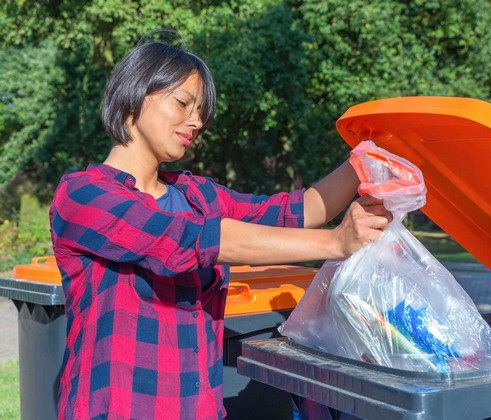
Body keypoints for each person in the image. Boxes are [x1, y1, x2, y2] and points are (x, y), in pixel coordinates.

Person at [49, 40, 392, 419]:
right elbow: (192, 240)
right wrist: (335, 242)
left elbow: (297, 210)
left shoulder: (197, 194)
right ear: (134, 95)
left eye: (200, 112)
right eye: (182, 103)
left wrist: (368, 152)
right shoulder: (83, 194)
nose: (196, 121)